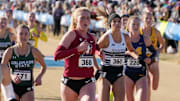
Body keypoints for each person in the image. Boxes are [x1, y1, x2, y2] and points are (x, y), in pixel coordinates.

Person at [54, 7, 99, 101]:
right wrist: (77, 49)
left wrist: (100, 54)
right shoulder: (71, 35)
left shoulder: (93, 37)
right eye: (82, 17)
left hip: (88, 81)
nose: (85, 20)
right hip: (69, 82)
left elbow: (94, 52)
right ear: (75, 20)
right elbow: (57, 56)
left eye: (88, 18)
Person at [96, 13, 139, 101]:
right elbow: (94, 49)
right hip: (105, 73)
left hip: (118, 72)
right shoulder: (106, 37)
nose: (117, 24)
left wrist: (138, 58)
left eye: (119, 22)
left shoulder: (126, 37)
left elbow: (131, 50)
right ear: (110, 24)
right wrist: (99, 53)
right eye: (114, 22)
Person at [1, 24, 47, 101]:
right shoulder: (9, 51)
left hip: (27, 87)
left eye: (26, 34)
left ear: (29, 36)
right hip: (12, 87)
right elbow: (3, 68)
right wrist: (12, 76)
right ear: (16, 35)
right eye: (21, 34)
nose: (23, 36)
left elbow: (44, 66)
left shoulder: (34, 51)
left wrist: (39, 77)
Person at [125, 16, 156, 101]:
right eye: (133, 24)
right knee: (129, 99)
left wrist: (149, 58)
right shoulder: (124, 39)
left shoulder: (145, 39)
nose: (135, 26)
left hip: (141, 73)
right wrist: (127, 53)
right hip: (127, 73)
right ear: (128, 26)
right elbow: (118, 53)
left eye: (138, 24)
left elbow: (154, 52)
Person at [141, 11, 164, 101]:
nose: (148, 20)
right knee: (147, 82)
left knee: (155, 86)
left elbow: (162, 44)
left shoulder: (156, 32)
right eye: (146, 18)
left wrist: (158, 51)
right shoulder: (138, 31)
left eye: (150, 18)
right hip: (143, 60)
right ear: (142, 19)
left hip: (153, 58)